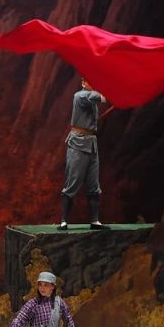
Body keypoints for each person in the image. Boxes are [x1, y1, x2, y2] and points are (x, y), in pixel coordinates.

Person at [60, 77, 110, 231]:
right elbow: (98, 97)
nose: (92, 83)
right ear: (83, 82)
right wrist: (111, 93)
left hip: (91, 144)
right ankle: (63, 221)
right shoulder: (80, 96)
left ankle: (94, 220)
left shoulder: (91, 99)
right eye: (89, 81)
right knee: (73, 181)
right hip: (78, 144)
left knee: (93, 184)